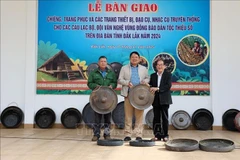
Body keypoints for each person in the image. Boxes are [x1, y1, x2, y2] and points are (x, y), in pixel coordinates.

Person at [118, 51, 149, 141]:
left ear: (139, 59)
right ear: (130, 59)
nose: (134, 58)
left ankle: (138, 134)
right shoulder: (124, 68)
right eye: (132, 57)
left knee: (139, 116)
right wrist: (127, 83)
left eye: (136, 57)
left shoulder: (144, 69)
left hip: (140, 95)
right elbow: (120, 79)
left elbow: (148, 78)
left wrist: (145, 81)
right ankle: (127, 134)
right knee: (128, 115)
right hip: (128, 94)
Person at [87, 56, 117, 141]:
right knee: (97, 118)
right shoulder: (94, 73)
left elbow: (115, 82)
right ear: (98, 63)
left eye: (104, 61)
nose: (103, 63)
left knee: (107, 118)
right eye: (101, 61)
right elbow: (89, 83)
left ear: (107, 63)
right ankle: (96, 134)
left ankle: (107, 134)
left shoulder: (111, 73)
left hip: (108, 99)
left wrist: (112, 86)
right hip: (97, 98)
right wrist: (95, 86)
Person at [149, 59, 172, 142]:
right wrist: (147, 85)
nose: (160, 66)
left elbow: (168, 86)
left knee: (165, 118)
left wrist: (157, 89)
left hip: (165, 99)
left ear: (164, 66)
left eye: (161, 64)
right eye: (158, 65)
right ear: (156, 66)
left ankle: (165, 135)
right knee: (156, 118)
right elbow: (151, 86)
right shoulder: (153, 76)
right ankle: (157, 135)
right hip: (155, 100)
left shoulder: (168, 75)